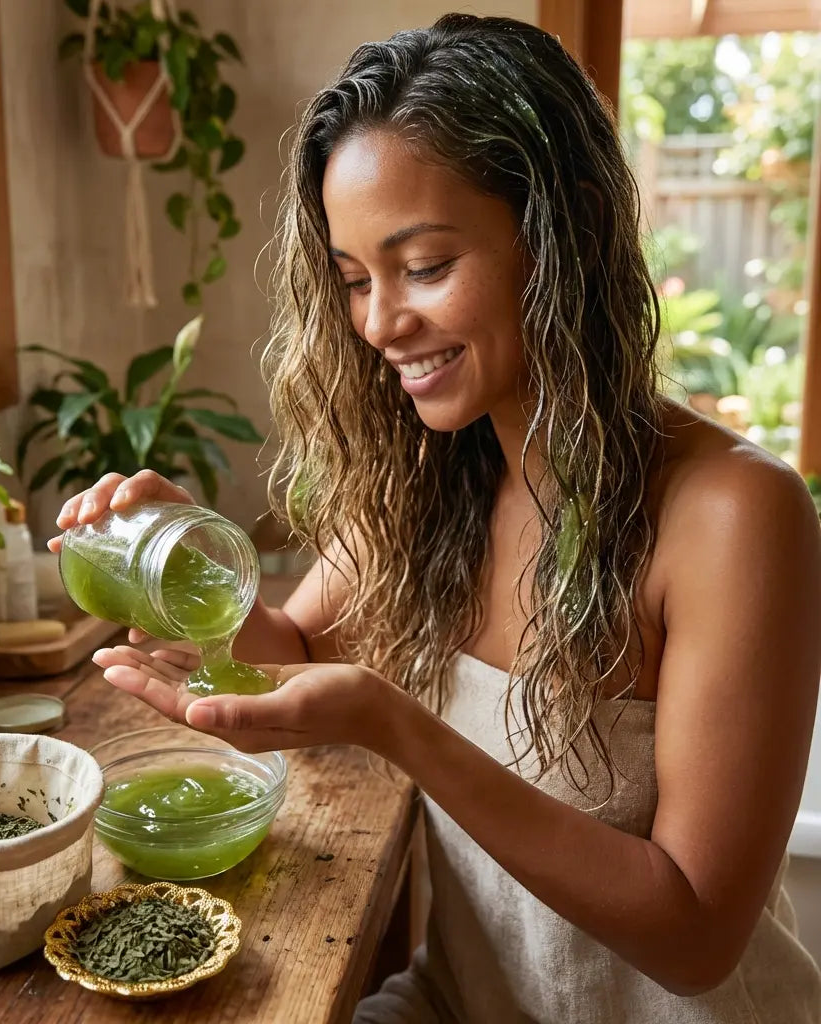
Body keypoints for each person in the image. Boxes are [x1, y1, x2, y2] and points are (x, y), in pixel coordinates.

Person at [49, 14, 821, 1022]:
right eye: (355, 279)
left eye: (422, 266)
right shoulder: (433, 481)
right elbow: (284, 643)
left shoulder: (731, 512)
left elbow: (695, 936)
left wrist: (396, 725)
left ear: (567, 231)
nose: (376, 324)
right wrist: (175, 552)